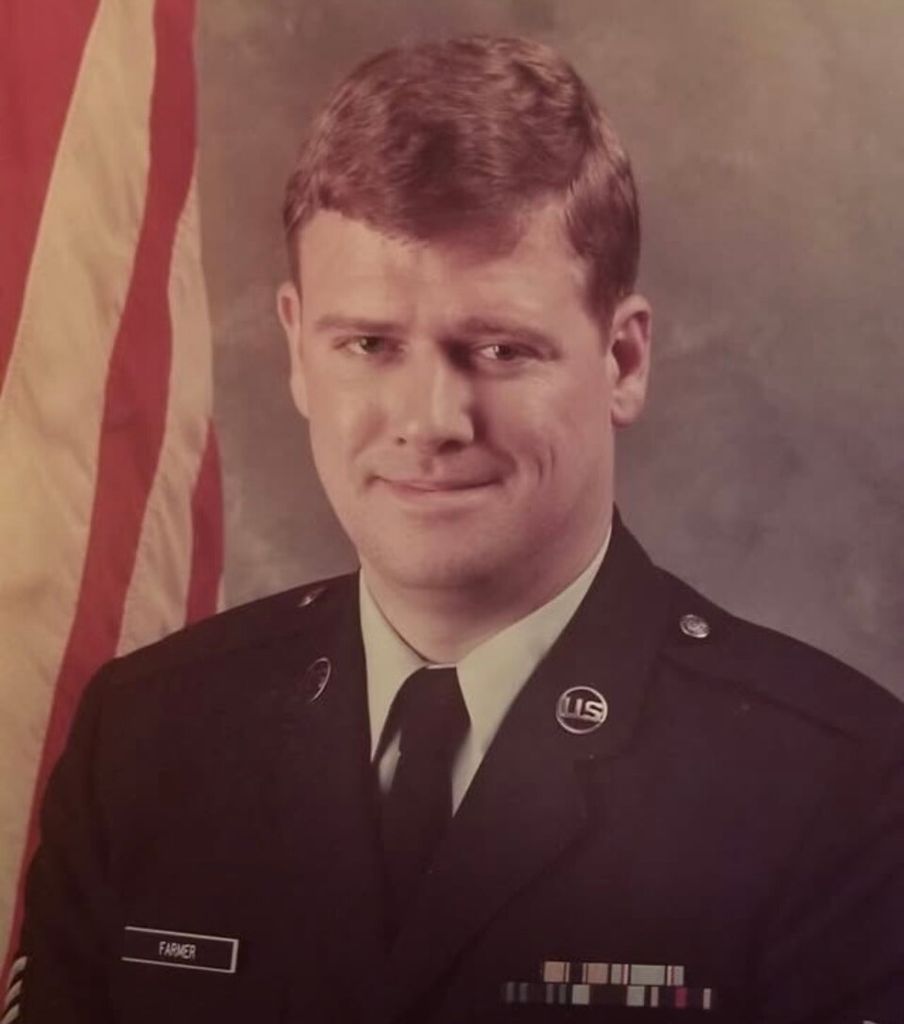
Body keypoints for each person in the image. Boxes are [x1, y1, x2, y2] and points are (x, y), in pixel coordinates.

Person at [10, 35, 904, 1024]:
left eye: (499, 348)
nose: (431, 419)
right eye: (369, 344)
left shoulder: (836, 786)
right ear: (298, 350)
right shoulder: (146, 740)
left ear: (621, 360)